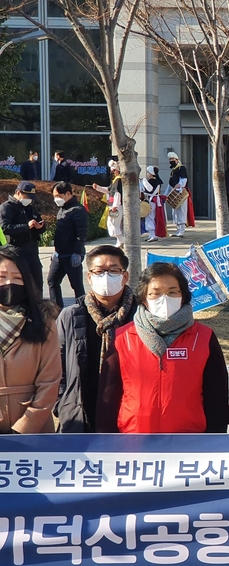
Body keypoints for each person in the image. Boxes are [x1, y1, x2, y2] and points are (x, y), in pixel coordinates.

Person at [96, 262, 229, 433]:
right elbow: (108, 396)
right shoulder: (123, 338)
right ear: (144, 298)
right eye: (155, 293)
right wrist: (106, 441)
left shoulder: (203, 337)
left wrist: (214, 441)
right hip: (133, 442)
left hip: (189, 441)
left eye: (172, 292)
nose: (164, 299)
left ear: (183, 295)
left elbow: (217, 396)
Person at [55, 245, 138, 433]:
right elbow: (56, 367)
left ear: (125, 276)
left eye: (113, 271)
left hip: (131, 414)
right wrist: (62, 405)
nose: (106, 277)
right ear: (89, 277)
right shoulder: (71, 315)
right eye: (99, 271)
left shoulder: (141, 316)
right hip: (80, 415)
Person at [0, 246, 60, 433]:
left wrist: (23, 430)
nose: (10, 283)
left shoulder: (43, 319)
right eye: (2, 277)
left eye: (17, 278)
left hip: (35, 429)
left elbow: (50, 381)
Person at [0, 181, 45, 295]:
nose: (29, 200)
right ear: (19, 193)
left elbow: (38, 222)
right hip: (16, 250)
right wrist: (26, 226)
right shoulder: (6, 208)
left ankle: (38, 307)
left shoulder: (29, 208)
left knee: (37, 282)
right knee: (19, 281)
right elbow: (5, 228)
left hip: (32, 250)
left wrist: (40, 227)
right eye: (27, 196)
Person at [48, 181, 88, 308]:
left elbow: (81, 234)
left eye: (59, 196)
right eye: (54, 196)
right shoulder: (62, 209)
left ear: (68, 194)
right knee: (52, 281)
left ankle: (83, 311)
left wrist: (77, 252)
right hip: (60, 254)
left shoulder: (78, 210)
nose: (56, 199)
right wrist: (56, 250)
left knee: (77, 286)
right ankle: (57, 309)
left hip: (72, 253)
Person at [92, 168, 125, 249]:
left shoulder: (119, 180)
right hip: (113, 205)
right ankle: (120, 241)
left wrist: (115, 206)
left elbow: (117, 193)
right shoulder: (115, 181)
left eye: (114, 171)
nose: (113, 172)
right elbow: (108, 190)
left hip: (116, 206)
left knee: (114, 224)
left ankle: (121, 240)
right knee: (113, 224)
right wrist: (98, 188)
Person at [167, 151, 193, 238]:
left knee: (181, 211)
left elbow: (184, 179)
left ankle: (181, 230)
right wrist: (166, 194)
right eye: (170, 159)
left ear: (177, 159)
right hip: (174, 192)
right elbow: (170, 184)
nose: (171, 160)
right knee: (176, 212)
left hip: (180, 192)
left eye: (172, 159)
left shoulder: (182, 168)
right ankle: (178, 230)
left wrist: (180, 186)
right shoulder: (173, 170)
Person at [141, 165, 166, 242]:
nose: (147, 174)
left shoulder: (152, 181)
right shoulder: (156, 181)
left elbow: (149, 190)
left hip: (152, 200)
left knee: (151, 217)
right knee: (150, 217)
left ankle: (153, 235)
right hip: (154, 200)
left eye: (148, 172)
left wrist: (144, 181)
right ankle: (151, 234)